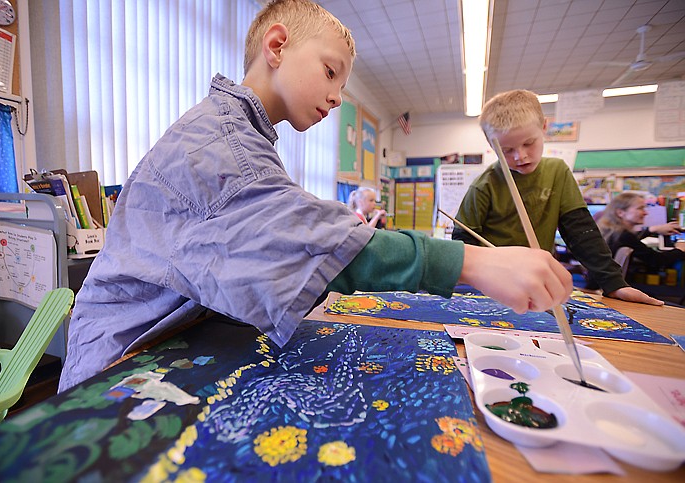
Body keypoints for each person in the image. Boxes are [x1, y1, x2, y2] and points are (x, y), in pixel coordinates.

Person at [58, 0, 573, 392]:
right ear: (276, 47)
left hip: (169, 345)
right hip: (119, 364)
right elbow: (308, 237)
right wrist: (474, 264)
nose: (336, 96)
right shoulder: (221, 143)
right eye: (330, 72)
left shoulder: (245, 136)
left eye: (343, 84)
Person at [452, 89, 662, 306]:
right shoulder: (484, 185)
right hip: (492, 289)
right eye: (507, 150)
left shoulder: (557, 172)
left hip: (537, 285)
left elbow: (581, 233)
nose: (520, 156)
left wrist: (614, 283)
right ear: (491, 145)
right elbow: (462, 243)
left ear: (544, 127)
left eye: (528, 143)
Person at [596, 192, 685, 279]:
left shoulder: (612, 231)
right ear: (620, 213)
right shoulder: (624, 236)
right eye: (640, 208)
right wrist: (680, 249)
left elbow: (633, 240)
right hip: (606, 288)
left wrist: (653, 229)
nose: (646, 213)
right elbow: (658, 261)